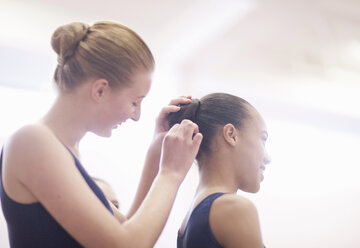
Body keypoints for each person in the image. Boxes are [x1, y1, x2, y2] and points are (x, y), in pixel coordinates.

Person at [0, 21, 202, 248]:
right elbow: (126, 244)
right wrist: (171, 173)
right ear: (100, 90)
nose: (136, 116)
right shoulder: (32, 142)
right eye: (135, 101)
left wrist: (156, 153)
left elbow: (126, 227)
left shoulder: (62, 151)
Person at [167, 93, 271, 248]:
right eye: (263, 139)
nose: (268, 158)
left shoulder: (191, 216)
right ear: (231, 135)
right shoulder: (233, 208)